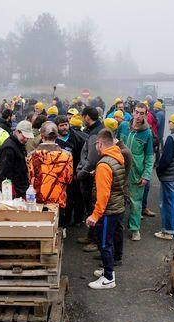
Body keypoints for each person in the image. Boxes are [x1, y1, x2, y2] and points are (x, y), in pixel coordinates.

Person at [86, 129, 126, 290]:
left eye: (96, 144)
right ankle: (106, 270)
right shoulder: (117, 156)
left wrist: (95, 216)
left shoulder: (104, 164)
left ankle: (109, 278)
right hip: (118, 206)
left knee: (104, 244)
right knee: (111, 240)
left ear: (100, 144)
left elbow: (103, 195)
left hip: (108, 211)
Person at [117, 103, 154, 241]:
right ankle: (117, 227)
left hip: (136, 172)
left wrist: (146, 175)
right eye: (136, 112)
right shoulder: (123, 126)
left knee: (135, 202)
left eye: (142, 113)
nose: (138, 116)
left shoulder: (147, 133)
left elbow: (150, 156)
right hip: (119, 169)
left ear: (146, 114)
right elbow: (115, 144)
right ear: (132, 112)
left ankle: (135, 229)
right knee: (117, 199)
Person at [75, 106, 105, 251]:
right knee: (93, 209)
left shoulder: (94, 134)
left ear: (87, 117)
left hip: (90, 177)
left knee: (93, 209)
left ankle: (95, 240)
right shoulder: (99, 128)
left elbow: (91, 159)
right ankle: (91, 236)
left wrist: (80, 174)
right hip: (94, 175)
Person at [27, 121, 73, 215]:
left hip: (37, 200)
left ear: (42, 137)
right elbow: (69, 179)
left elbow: (30, 178)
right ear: (56, 137)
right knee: (58, 226)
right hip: (58, 199)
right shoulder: (67, 156)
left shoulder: (31, 156)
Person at [55, 115, 87, 229]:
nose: (64, 128)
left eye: (66, 125)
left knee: (78, 196)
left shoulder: (77, 138)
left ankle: (78, 219)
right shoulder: (53, 139)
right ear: (56, 127)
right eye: (61, 125)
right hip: (58, 175)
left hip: (74, 174)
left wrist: (77, 172)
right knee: (64, 198)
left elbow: (82, 157)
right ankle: (65, 220)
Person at [0, 120, 34, 198]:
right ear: (18, 132)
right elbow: (5, 175)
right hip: (16, 192)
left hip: (22, 188)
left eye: (28, 138)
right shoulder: (8, 148)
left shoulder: (20, 144)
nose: (26, 140)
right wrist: (12, 194)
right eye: (24, 136)